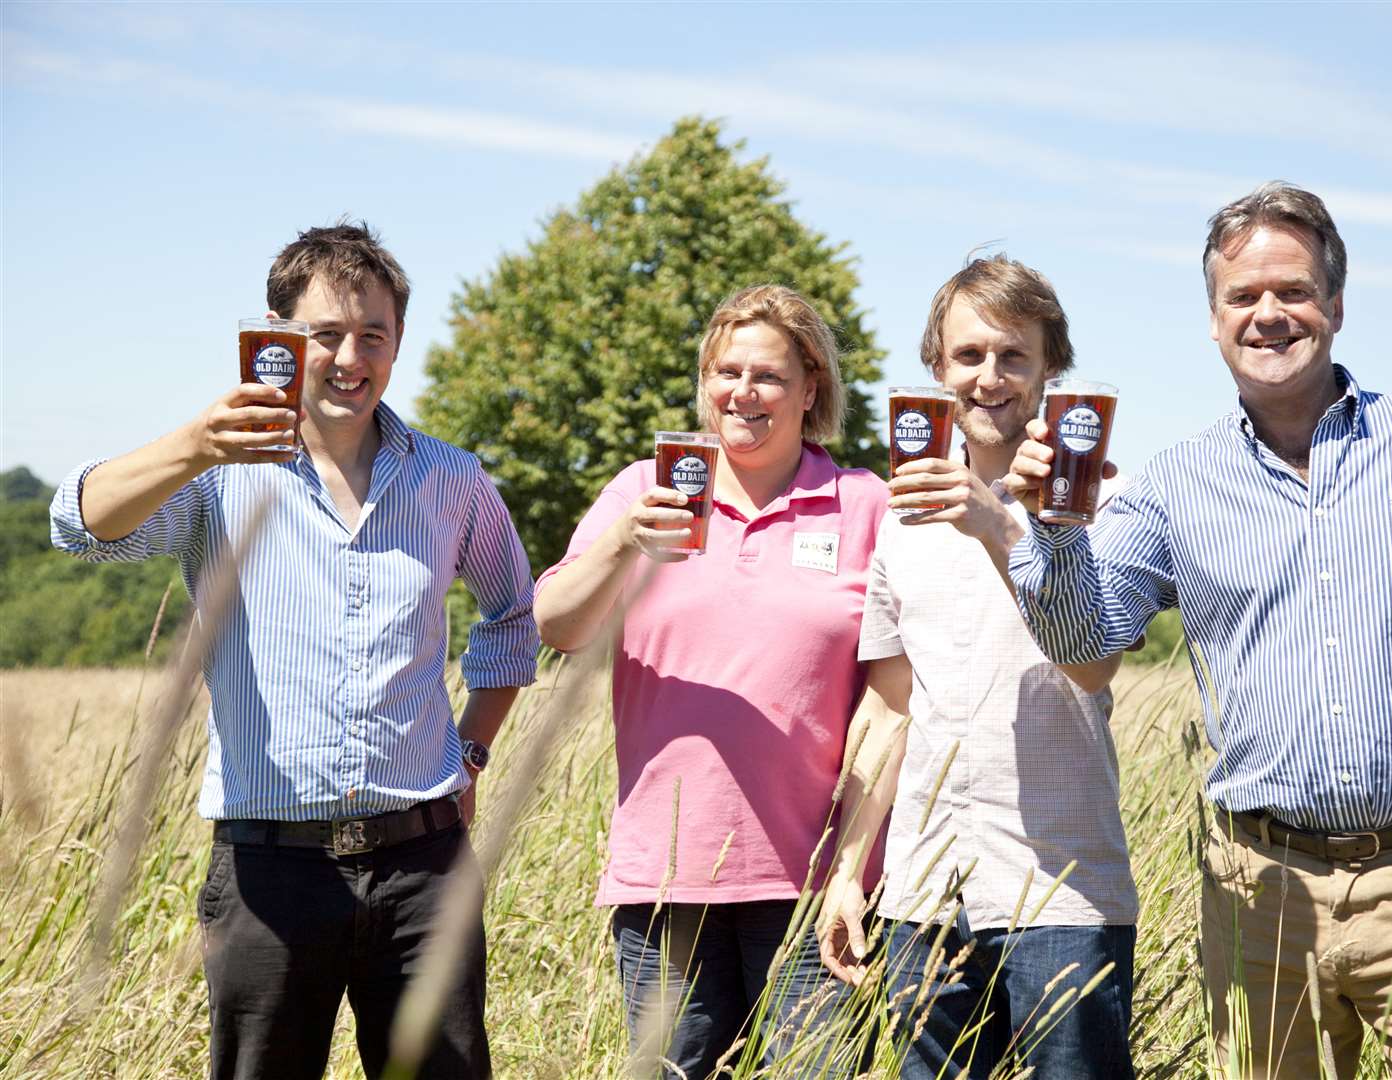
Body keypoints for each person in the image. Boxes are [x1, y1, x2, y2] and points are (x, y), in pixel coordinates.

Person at [1002, 182, 1392, 1078]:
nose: (1268, 314)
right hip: (1258, 890)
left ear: (1334, 304)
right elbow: (1083, 642)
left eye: (1291, 290)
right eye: (1241, 297)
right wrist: (1056, 534)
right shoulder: (1177, 483)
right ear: (1212, 322)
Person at [50, 222, 539, 1080]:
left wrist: (472, 747)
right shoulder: (217, 474)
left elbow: (511, 613)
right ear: (278, 336)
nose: (351, 357)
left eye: (374, 336)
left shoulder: (452, 480)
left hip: (424, 866)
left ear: (397, 344)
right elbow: (78, 526)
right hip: (267, 868)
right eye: (326, 335)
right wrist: (195, 443)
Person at [532, 285, 889, 1078]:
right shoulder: (645, 491)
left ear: (811, 390)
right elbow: (556, 624)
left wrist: (854, 872)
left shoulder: (863, 505)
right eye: (727, 371)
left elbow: (893, 699)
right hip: (666, 881)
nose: (744, 392)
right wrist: (625, 539)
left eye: (769, 375)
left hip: (813, 885)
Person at [817, 255, 1138, 1079]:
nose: (989, 377)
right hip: (922, 894)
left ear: (1049, 370)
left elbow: (1094, 665)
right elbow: (890, 711)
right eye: (968, 356)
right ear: (937, 369)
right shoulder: (901, 517)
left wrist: (1002, 528)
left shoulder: (1109, 499)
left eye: (1013, 356)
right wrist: (852, 870)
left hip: (1062, 891)